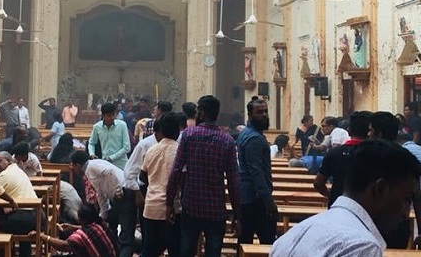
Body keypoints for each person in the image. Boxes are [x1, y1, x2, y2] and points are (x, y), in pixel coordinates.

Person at [271, 140, 421, 257]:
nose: (406, 212)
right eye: (407, 199)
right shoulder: (360, 247)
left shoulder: (295, 233)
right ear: (380, 190)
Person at [166, 95, 240, 257]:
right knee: (213, 252)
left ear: (202, 113)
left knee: (186, 250)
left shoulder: (188, 135)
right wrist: (237, 212)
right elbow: (234, 181)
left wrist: (169, 202)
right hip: (216, 209)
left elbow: (176, 171)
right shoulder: (227, 141)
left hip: (191, 205)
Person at [70, 150, 135, 257]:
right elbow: (100, 193)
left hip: (123, 194)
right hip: (117, 198)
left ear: (77, 165)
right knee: (110, 225)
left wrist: (118, 190)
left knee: (126, 236)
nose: (73, 169)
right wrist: (101, 218)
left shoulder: (91, 167)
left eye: (73, 166)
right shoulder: (89, 170)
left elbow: (110, 171)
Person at [139, 112, 183, 257]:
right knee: (174, 249)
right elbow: (183, 179)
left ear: (161, 131)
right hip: (173, 208)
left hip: (152, 206)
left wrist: (154, 183)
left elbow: (142, 176)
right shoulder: (180, 151)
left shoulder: (152, 150)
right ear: (177, 131)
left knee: (149, 249)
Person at [237, 98, 277, 246]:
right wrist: (268, 200)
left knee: (245, 239)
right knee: (268, 242)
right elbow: (256, 172)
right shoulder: (254, 138)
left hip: (247, 196)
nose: (264, 115)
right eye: (259, 112)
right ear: (250, 114)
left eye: (265, 111)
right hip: (255, 198)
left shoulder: (247, 133)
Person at [314, 111, 372, 207]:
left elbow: (318, 183)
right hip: (368, 206)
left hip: (339, 204)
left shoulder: (334, 153)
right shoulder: (376, 154)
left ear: (349, 131)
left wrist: (331, 195)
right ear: (369, 132)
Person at [0, 151, 39, 257]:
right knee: (19, 226)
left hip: (24, 218)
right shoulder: (18, 170)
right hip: (37, 216)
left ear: (8, 161)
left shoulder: (5, 174)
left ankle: (5, 252)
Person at [29, 204, 117, 257]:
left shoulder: (81, 235)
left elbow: (64, 246)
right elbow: (87, 231)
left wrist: (44, 237)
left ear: (82, 220)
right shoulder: (99, 225)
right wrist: (72, 227)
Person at [87, 103, 131, 170]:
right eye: (109, 115)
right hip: (106, 165)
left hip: (121, 165)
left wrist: (111, 158)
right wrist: (92, 154)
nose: (112, 118)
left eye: (113, 115)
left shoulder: (122, 125)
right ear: (103, 116)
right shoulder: (97, 127)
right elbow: (91, 143)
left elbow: (127, 147)